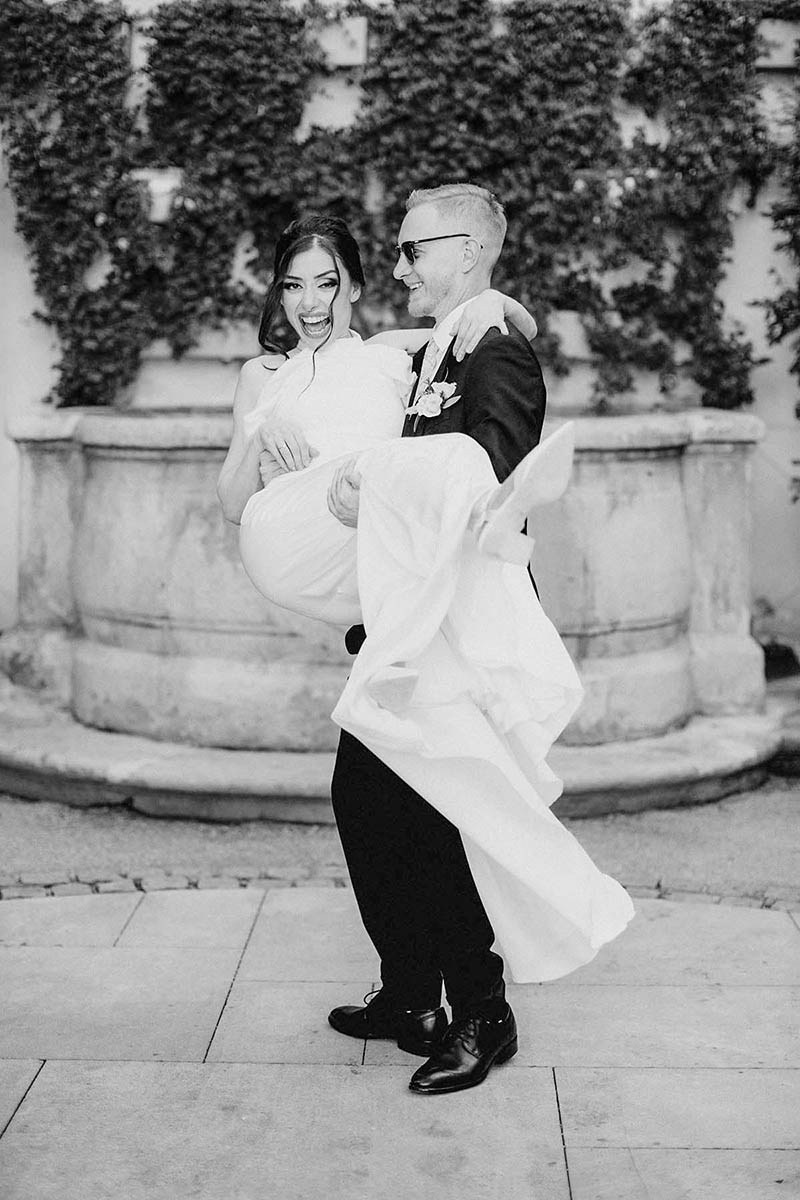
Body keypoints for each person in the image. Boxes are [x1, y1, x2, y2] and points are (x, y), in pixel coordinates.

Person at [218, 194, 634, 1097]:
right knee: (369, 804)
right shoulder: (443, 342)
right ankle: (411, 994)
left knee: (438, 815)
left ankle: (482, 1011)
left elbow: (492, 476)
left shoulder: (494, 348)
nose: (401, 265)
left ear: (470, 248)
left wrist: (378, 480)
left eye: (413, 250)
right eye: (398, 252)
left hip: (453, 620)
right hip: (406, 615)